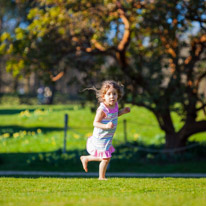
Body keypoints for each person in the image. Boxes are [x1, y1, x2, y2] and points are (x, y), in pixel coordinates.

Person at [80, 80, 130, 180]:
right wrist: (106, 126)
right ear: (103, 96)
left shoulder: (115, 106)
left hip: (107, 137)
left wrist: (122, 112)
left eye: (114, 94)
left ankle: (86, 158)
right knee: (106, 158)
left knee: (106, 157)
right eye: (109, 94)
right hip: (101, 137)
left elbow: (115, 115)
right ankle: (101, 177)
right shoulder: (102, 109)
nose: (112, 96)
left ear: (118, 95)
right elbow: (95, 123)